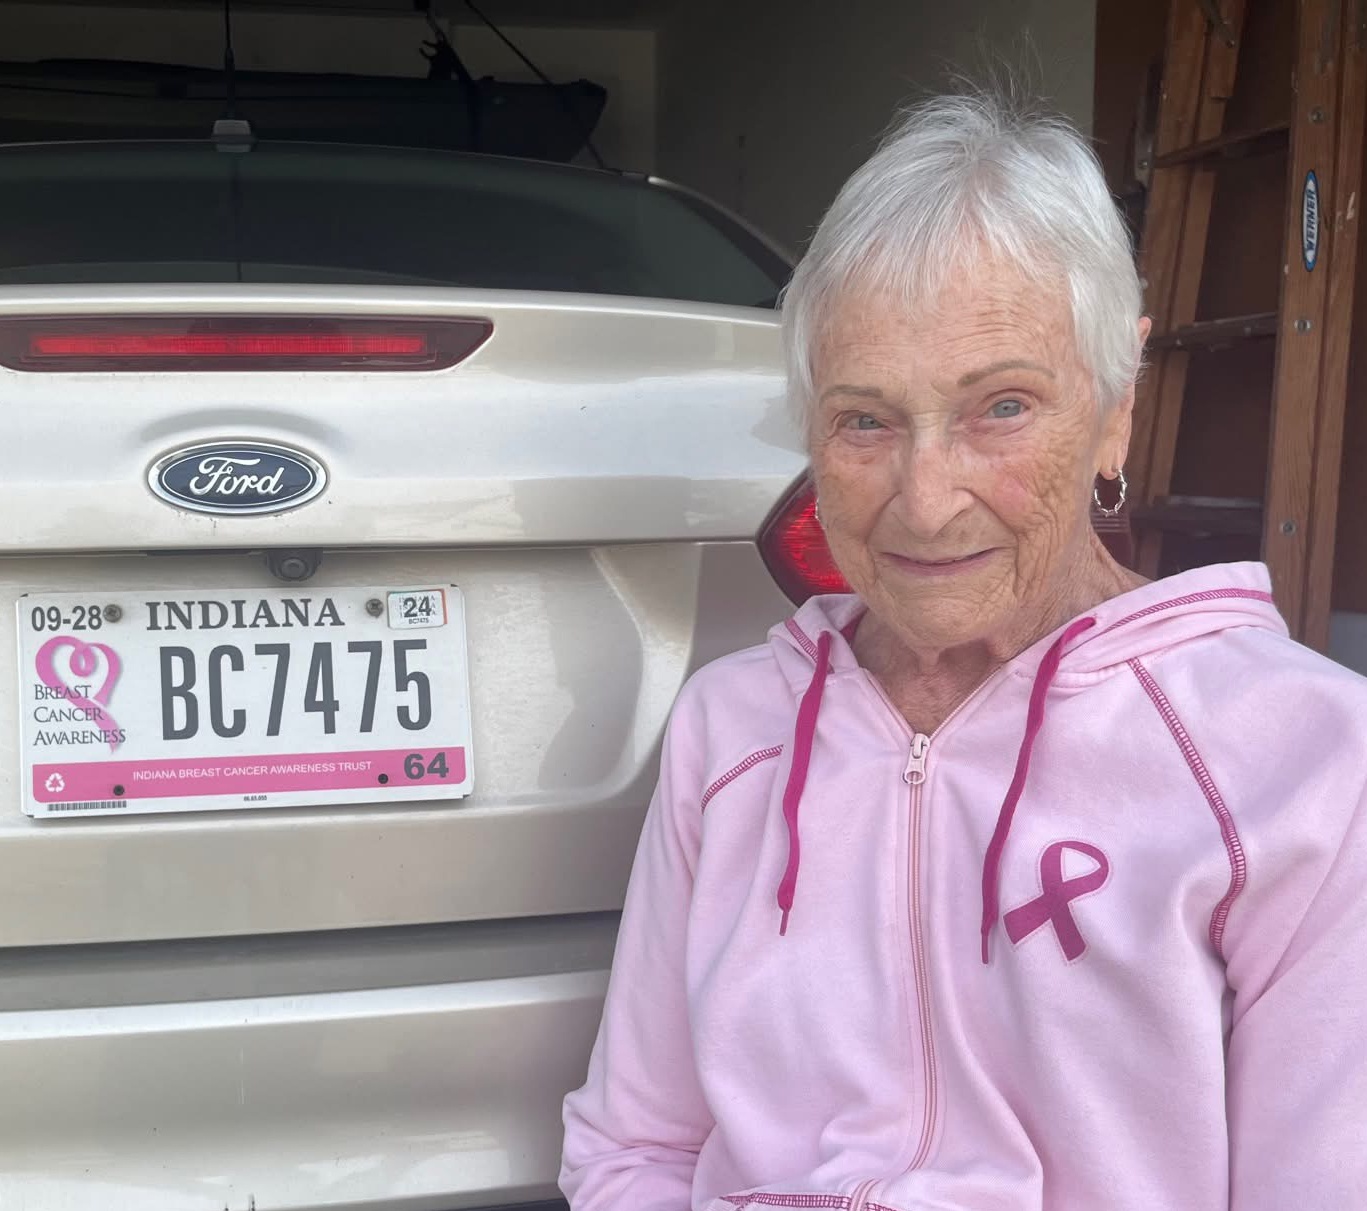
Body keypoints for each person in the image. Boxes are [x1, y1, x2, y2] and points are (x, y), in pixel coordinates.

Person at [558, 88, 1367, 1211]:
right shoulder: (730, 730)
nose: (925, 504)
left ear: (1116, 406)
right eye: (865, 421)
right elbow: (632, 1148)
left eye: (1000, 406)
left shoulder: (1307, 759)